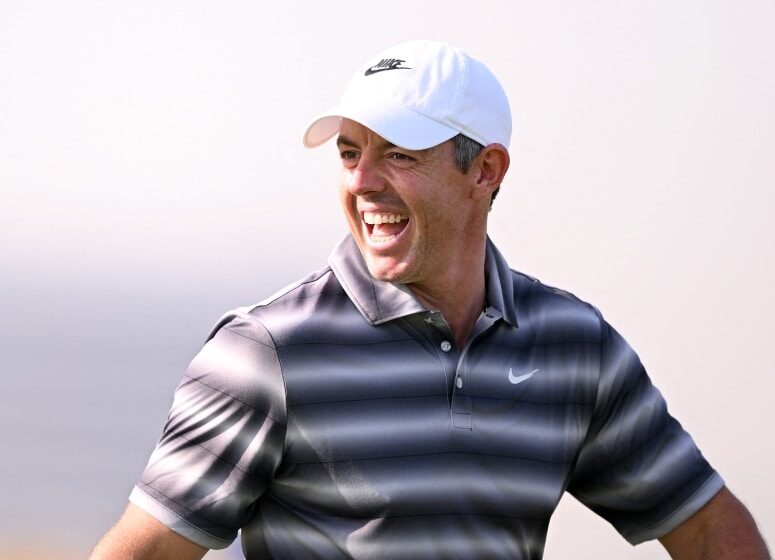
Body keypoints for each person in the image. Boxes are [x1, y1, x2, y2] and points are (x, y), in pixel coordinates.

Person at [89, 40, 769, 560]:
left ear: (485, 170)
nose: (362, 181)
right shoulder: (266, 352)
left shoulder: (574, 346)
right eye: (349, 153)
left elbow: (709, 528)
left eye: (398, 155)